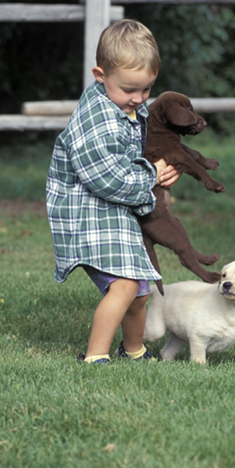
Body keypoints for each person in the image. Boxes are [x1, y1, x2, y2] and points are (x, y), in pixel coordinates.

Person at [46, 19, 180, 365]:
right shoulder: (96, 122)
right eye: (130, 90)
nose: (138, 99)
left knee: (140, 290)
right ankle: (95, 356)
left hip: (114, 211)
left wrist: (164, 167)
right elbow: (106, 179)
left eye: (147, 89)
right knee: (124, 285)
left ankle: (133, 350)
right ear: (100, 74)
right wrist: (150, 177)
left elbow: (144, 147)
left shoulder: (125, 105)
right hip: (89, 213)